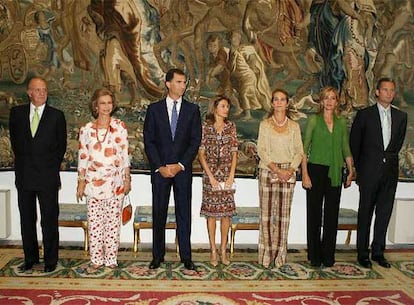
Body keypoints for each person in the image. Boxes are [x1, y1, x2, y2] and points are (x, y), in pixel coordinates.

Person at [143, 68, 202, 270]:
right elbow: (149, 141)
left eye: (184, 82)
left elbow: (195, 141)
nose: (183, 86)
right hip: (160, 172)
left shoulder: (193, 110)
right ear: (168, 84)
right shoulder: (154, 109)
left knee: (183, 214)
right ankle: (157, 256)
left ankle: (186, 256)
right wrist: (160, 166)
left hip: (182, 171)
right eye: (179, 82)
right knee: (159, 213)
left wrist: (180, 165)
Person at [9, 77, 67, 273]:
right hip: (24, 176)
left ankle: (50, 260)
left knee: (49, 219)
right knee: (27, 218)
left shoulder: (56, 116)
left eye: (44, 90)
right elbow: (15, 143)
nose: (42, 93)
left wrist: (48, 166)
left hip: (47, 176)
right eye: (37, 90)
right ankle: (30, 258)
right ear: (29, 92)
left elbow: (61, 146)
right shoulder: (16, 114)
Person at [350, 77, 407, 269]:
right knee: (365, 213)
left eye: (392, 90)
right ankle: (362, 253)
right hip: (368, 173)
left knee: (384, 213)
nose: (389, 93)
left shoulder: (401, 117)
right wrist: (360, 169)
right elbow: (354, 144)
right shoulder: (364, 115)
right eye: (385, 90)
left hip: (389, 174)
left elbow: (396, 145)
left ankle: (378, 252)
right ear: (377, 92)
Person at [76, 88, 130, 272]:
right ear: (95, 106)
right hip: (92, 183)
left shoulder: (120, 126)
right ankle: (97, 258)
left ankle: (111, 258)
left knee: (112, 224)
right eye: (102, 103)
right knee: (95, 224)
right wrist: (81, 182)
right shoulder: (86, 129)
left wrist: (127, 178)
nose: (106, 106)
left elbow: (124, 155)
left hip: (115, 183)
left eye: (109, 102)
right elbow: (83, 156)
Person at [301, 86, 353, 268]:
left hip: (335, 172)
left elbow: (345, 148)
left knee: (332, 215)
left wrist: (351, 170)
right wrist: (305, 174)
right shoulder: (314, 120)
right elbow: (304, 149)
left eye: (333, 98)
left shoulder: (341, 122)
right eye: (326, 98)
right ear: (321, 101)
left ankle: (328, 255)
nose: (329, 101)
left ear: (337, 101)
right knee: (314, 214)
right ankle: (314, 256)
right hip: (315, 170)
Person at [257, 89, 304, 268]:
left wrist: (289, 170)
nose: (278, 103)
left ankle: (280, 256)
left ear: (287, 103)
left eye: (282, 99)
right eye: (275, 99)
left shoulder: (294, 126)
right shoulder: (265, 125)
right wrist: (276, 169)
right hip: (268, 171)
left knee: (283, 217)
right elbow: (261, 150)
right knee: (267, 217)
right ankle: (266, 255)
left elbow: (299, 151)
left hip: (288, 173)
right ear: (272, 103)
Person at [198, 96, 238, 267]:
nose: (226, 109)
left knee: (226, 214)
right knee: (212, 215)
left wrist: (231, 175)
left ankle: (223, 250)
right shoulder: (205, 127)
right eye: (223, 106)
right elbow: (201, 154)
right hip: (210, 176)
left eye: (227, 106)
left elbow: (235, 151)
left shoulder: (231, 127)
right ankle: (213, 250)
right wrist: (211, 177)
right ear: (214, 108)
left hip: (227, 175)